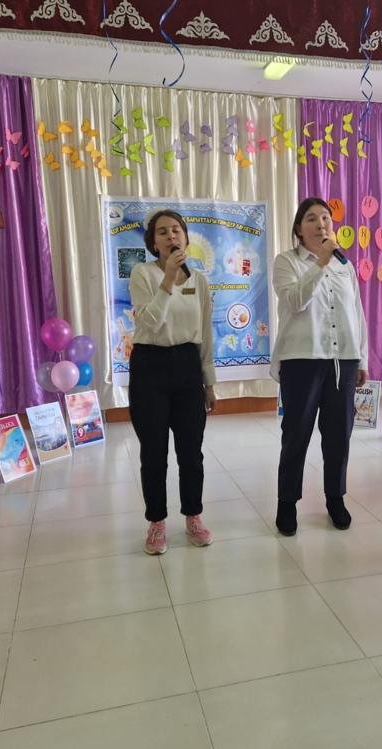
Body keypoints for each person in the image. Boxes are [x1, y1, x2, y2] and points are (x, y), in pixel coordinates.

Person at [272, 197, 369, 535]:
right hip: (302, 360)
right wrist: (321, 263)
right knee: (296, 434)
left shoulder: (345, 266)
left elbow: (357, 313)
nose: (321, 224)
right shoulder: (287, 262)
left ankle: (335, 498)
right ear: (299, 229)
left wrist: (361, 357)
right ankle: (287, 503)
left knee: (339, 434)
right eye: (311, 218)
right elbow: (295, 301)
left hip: (343, 360)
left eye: (325, 218)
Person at [128, 209, 217, 555]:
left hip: (187, 366)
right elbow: (149, 323)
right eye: (162, 232)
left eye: (176, 230)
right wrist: (167, 279)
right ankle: (156, 521)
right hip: (150, 365)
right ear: (153, 243)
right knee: (153, 452)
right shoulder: (143, 273)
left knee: (191, 452)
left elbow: (205, 333)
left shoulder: (199, 280)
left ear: (186, 238)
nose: (171, 236)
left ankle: (193, 515)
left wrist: (209, 382)